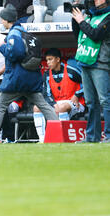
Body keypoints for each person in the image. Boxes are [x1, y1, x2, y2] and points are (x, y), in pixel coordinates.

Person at [0, 4, 58, 143]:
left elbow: (16, 53)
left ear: (6, 20)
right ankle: (60, 132)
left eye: (2, 19)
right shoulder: (24, 31)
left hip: (17, 79)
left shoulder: (14, 33)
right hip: (30, 78)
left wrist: (3, 48)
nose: (1, 22)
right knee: (44, 105)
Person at [72, 0, 110, 143]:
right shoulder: (90, 16)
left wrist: (81, 21)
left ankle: (109, 136)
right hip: (86, 62)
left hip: (100, 62)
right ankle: (92, 137)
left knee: (105, 101)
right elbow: (78, 36)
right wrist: (75, 19)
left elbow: (95, 34)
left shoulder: (108, 17)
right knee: (90, 102)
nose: (96, 1)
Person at [33, 48, 85, 143]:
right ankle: (42, 139)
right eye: (47, 60)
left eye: (50, 59)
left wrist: (77, 95)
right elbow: (46, 93)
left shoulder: (71, 70)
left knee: (62, 107)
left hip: (76, 103)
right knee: (36, 108)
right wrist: (53, 104)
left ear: (58, 59)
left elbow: (87, 84)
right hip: (58, 103)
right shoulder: (47, 74)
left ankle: (63, 138)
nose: (48, 62)